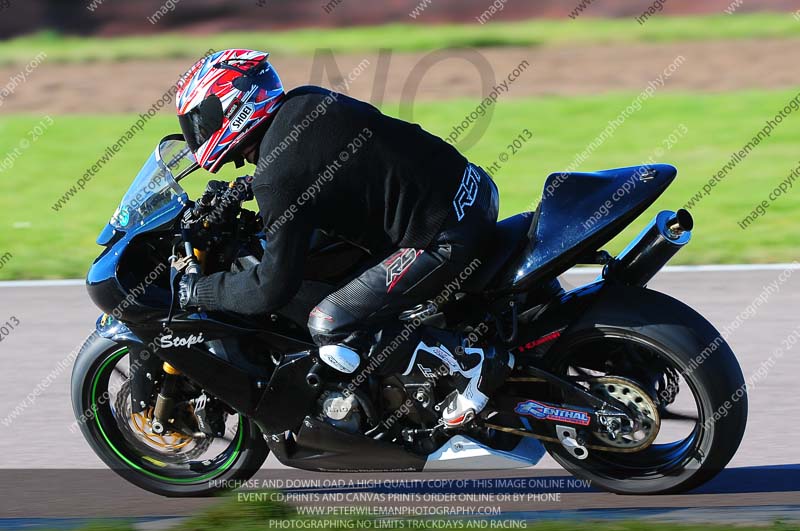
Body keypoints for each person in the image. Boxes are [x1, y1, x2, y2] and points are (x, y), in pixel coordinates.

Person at [176, 49, 504, 428]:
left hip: (443, 237)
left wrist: (199, 291)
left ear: (233, 106)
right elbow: (322, 167)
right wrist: (245, 188)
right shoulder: (306, 101)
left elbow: (271, 290)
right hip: (473, 191)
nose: (197, 133)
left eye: (202, 120)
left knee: (330, 320)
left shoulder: (278, 177)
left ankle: (470, 366)